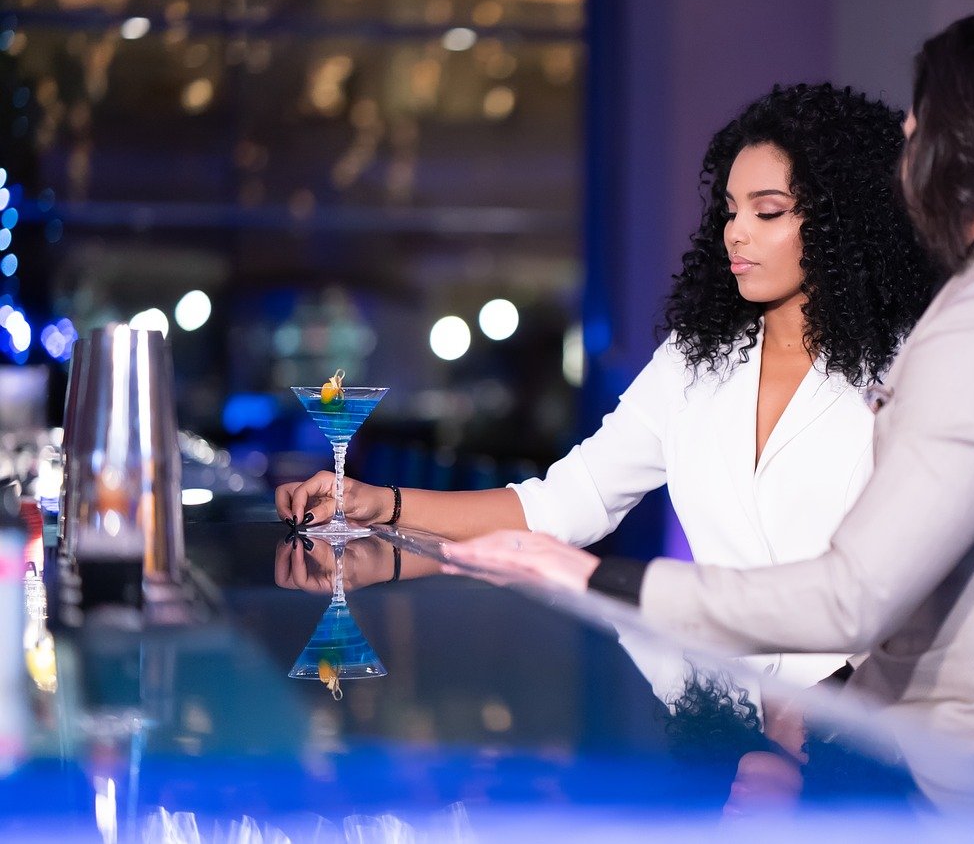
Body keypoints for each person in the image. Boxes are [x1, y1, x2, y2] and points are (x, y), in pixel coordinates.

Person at [445, 12, 974, 828]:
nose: (905, 155)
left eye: (918, 130)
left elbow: (855, 599)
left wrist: (597, 578)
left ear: (965, 151)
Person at [278, 83, 937, 697]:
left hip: (871, 721)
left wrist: (820, 704)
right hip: (712, 717)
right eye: (731, 210)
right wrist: (375, 502)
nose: (735, 231)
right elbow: (563, 505)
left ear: (844, 220)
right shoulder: (695, 362)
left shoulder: (918, 363)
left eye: (768, 212)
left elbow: (918, 582)